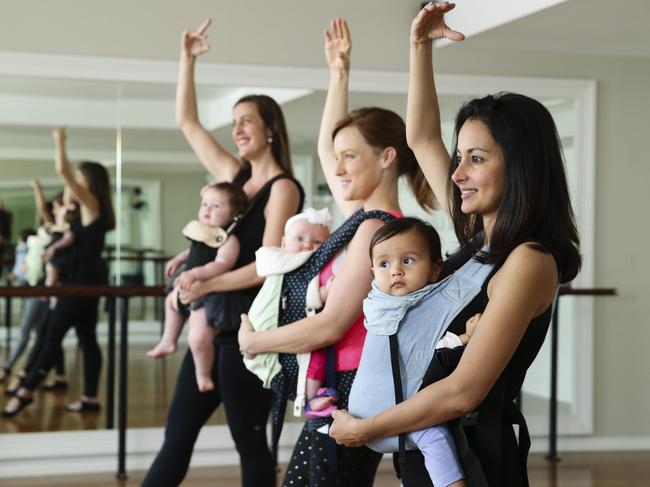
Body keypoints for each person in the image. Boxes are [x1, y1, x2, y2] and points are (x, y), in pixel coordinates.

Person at [329, 3, 582, 487]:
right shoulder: (478, 241)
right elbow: (420, 136)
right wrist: (420, 46)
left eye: (477, 158)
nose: (458, 173)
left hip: (474, 461)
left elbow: (464, 392)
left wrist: (365, 429)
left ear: (521, 167)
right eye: (459, 156)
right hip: (430, 446)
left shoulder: (529, 260)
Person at [236, 18, 434, 486]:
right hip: (339, 390)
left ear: (387, 157)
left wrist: (254, 342)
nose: (338, 167)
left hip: (351, 394)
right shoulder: (363, 220)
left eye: (352, 156)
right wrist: (338, 73)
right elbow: (329, 151)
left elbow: (332, 324)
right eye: (338, 156)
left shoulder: (378, 230)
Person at [140, 18, 303, 487]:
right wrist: (187, 60)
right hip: (211, 324)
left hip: (247, 334)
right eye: (233, 124)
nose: (237, 131)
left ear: (270, 127)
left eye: (246, 121)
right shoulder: (233, 176)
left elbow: (267, 264)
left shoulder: (283, 188)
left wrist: (204, 281)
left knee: (250, 445)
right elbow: (188, 123)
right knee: (177, 435)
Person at [350, 217, 487, 487]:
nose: (396, 272)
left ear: (436, 269)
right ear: (373, 272)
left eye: (408, 261)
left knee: (431, 440)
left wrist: (465, 337)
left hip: (388, 416)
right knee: (434, 433)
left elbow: (424, 351)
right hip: (373, 412)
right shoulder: (381, 304)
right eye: (384, 264)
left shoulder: (421, 305)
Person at [2, 127, 115, 417]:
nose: (74, 182)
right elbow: (64, 194)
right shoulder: (84, 211)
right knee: (87, 341)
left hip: (80, 284)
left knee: (51, 336)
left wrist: (59, 142)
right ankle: (89, 398)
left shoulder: (93, 205)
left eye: (80, 178)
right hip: (85, 283)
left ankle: (27, 390)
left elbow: (62, 172)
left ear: (90, 182)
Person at [147, 182, 248, 392]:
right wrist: (178, 260)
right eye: (204, 204)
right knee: (170, 303)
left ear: (235, 214)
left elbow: (222, 264)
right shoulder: (202, 233)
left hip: (210, 293)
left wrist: (195, 274)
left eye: (216, 206)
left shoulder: (229, 240)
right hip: (187, 285)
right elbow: (192, 252)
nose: (207, 209)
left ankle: (202, 374)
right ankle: (168, 339)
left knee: (198, 337)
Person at [241, 207, 332, 415]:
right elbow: (303, 296)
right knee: (315, 355)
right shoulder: (283, 263)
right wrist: (325, 292)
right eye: (299, 238)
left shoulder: (291, 264)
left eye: (317, 242)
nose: (308, 245)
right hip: (268, 336)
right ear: (283, 244)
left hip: (264, 340)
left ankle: (309, 396)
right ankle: (311, 398)